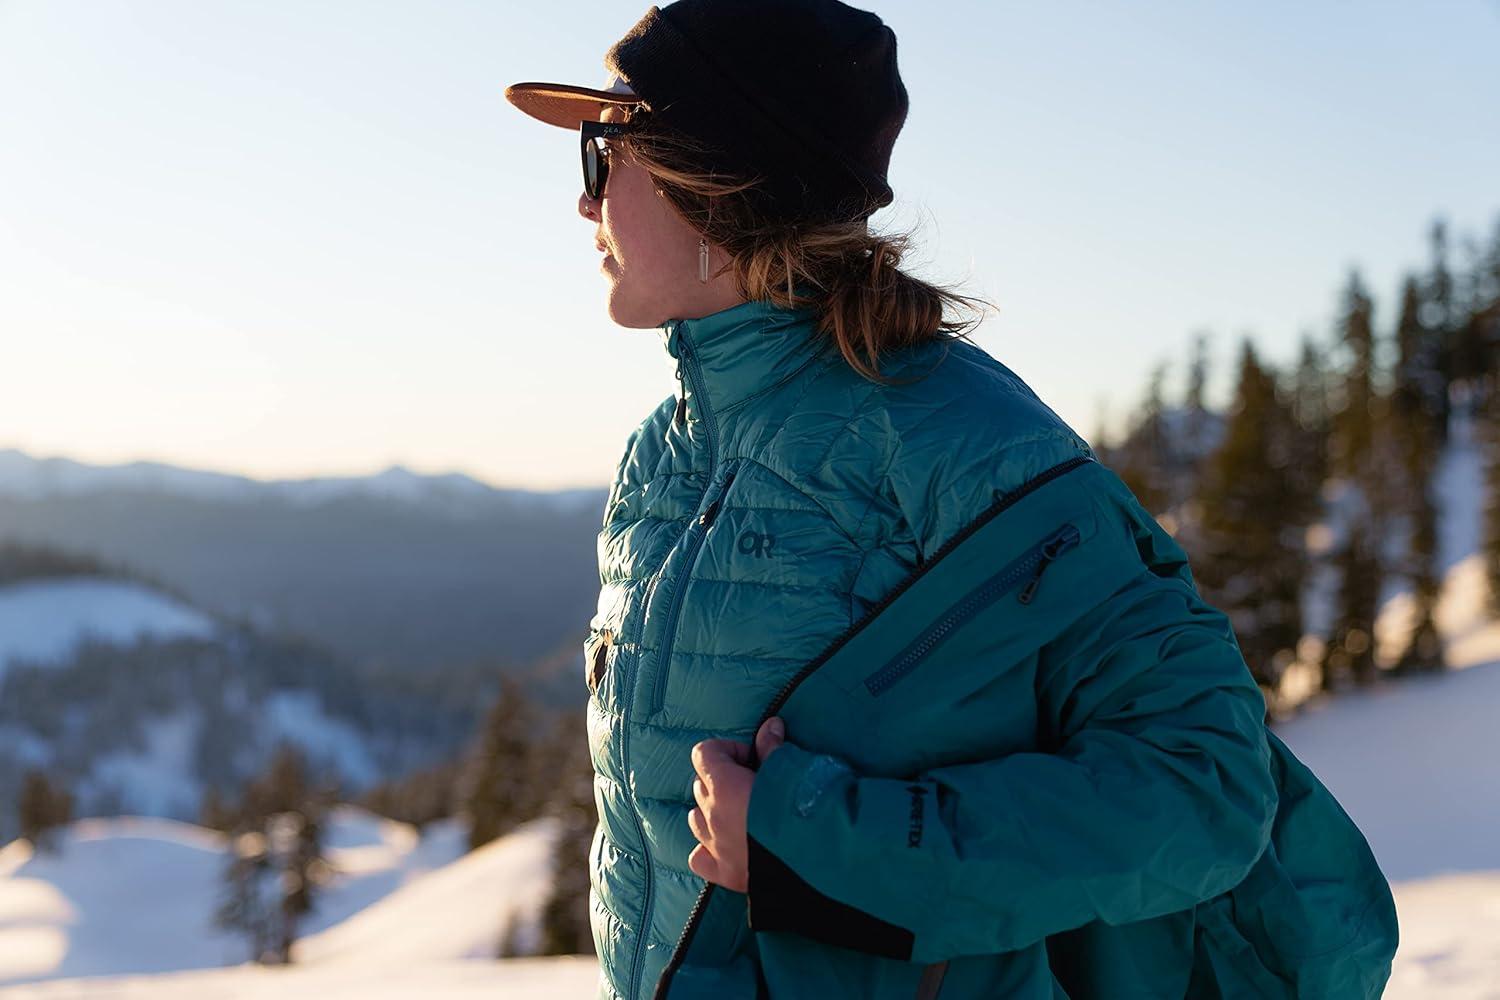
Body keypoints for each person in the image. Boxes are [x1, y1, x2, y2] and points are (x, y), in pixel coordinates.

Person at [506, 2, 1398, 998]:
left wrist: (822, 839)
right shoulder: (664, 454)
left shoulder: (958, 442)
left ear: (716, 181)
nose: (585, 203)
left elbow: (1206, 787)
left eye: (604, 157)